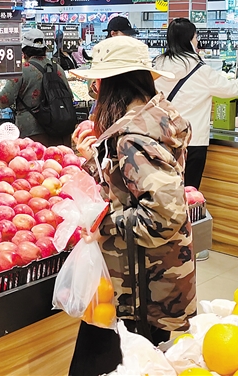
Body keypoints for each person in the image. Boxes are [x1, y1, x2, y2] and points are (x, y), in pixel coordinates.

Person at [69, 36, 196, 376]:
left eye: (97, 82)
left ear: (112, 84)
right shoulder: (156, 115)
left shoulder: (133, 137)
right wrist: (95, 159)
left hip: (141, 288)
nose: (95, 90)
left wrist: (103, 226)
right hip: (157, 277)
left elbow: (164, 215)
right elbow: (131, 187)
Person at [153, 18, 238, 189]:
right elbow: (230, 89)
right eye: (196, 37)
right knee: (189, 192)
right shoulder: (201, 70)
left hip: (161, 138)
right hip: (192, 140)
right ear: (189, 40)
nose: (197, 41)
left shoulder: (156, 67)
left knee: (163, 190)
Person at [0, 28, 72, 146]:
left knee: (36, 158)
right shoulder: (57, 68)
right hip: (60, 130)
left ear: (24, 52)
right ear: (45, 49)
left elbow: (3, 101)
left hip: (32, 133)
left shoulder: (21, 70)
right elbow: (69, 96)